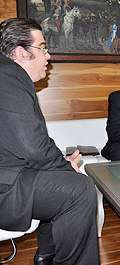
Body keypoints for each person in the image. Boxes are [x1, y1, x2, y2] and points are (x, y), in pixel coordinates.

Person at [0, 18, 100, 265]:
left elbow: (28, 143)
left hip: (11, 172)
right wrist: (66, 167)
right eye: (43, 47)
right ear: (21, 53)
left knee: (60, 182)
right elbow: (32, 145)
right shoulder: (8, 74)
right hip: (6, 183)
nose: (48, 56)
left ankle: (46, 256)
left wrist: (60, 164)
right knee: (80, 189)